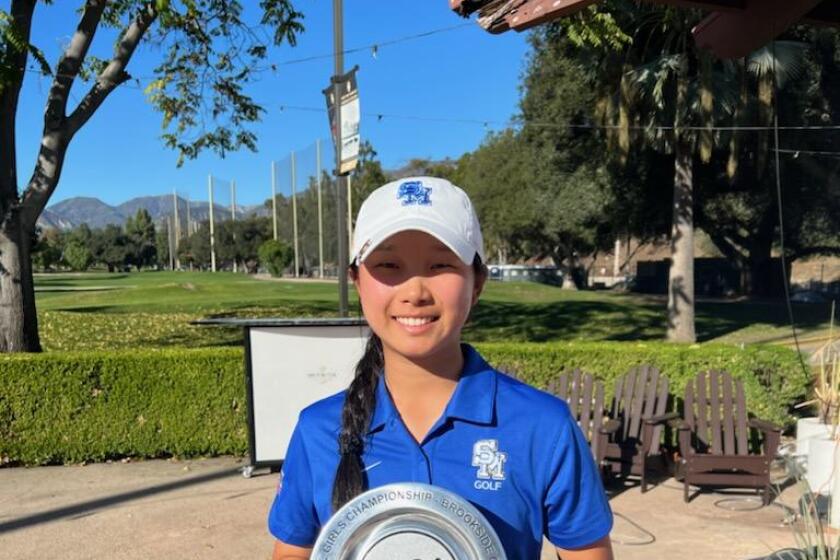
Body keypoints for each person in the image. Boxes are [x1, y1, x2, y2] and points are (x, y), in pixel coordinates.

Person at [268, 177, 614, 559]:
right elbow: (292, 552)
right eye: (388, 264)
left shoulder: (543, 426)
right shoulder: (318, 429)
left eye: (440, 264)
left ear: (477, 282)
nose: (415, 292)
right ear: (357, 281)